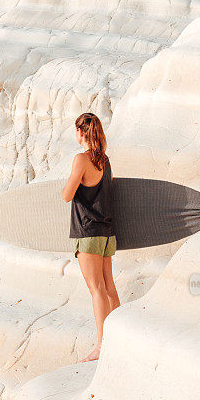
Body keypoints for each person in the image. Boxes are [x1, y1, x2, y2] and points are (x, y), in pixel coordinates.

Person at [62, 112, 121, 362]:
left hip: (88, 233)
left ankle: (101, 345)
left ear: (81, 132)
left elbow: (67, 195)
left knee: (96, 289)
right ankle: (120, 338)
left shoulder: (81, 160)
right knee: (109, 287)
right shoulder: (104, 161)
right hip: (107, 233)